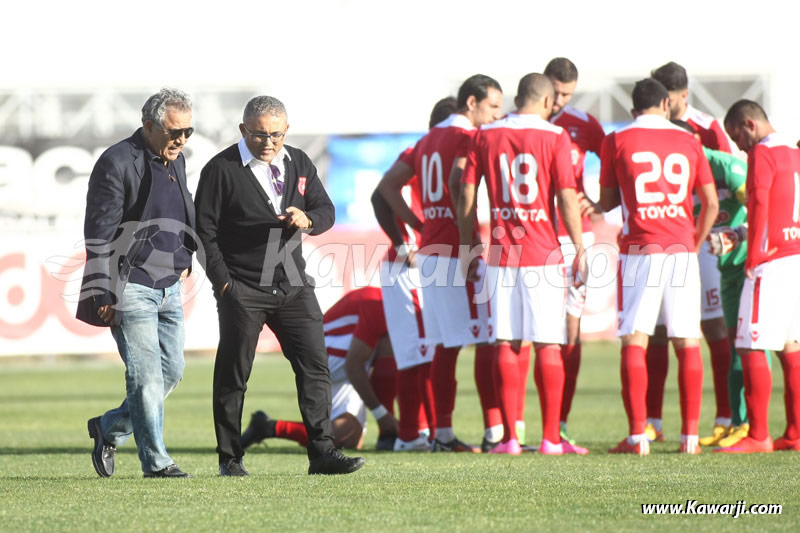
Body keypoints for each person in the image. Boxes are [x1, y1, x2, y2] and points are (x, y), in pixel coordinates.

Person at [194, 95, 364, 476]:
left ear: (286, 131)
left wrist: (308, 219)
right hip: (243, 289)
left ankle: (322, 454)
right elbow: (203, 232)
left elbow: (326, 211)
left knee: (315, 368)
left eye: (276, 134)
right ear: (243, 130)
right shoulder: (220, 169)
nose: (268, 142)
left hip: (293, 285)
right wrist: (224, 284)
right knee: (233, 375)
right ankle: (230, 459)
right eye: (259, 134)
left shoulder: (299, 161)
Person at [457, 73, 590, 455]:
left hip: (501, 253)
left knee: (506, 341)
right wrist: (578, 245)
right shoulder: (554, 135)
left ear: (517, 98)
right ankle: (550, 439)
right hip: (542, 253)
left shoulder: (486, 135)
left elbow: (467, 194)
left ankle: (511, 440)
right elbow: (567, 196)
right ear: (548, 102)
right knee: (548, 343)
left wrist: (470, 245)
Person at [377, 75, 503, 452]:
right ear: (471, 103)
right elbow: (456, 181)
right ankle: (495, 432)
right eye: (493, 106)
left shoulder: (426, 140)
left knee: (444, 346)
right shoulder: (469, 138)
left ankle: (443, 434)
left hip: (431, 251)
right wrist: (468, 245)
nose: (497, 114)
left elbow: (386, 187)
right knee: (486, 339)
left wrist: (420, 224)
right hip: (455, 250)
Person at [78, 88, 196, 478]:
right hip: (130, 286)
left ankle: (108, 427)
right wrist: (104, 291)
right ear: (149, 126)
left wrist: (186, 256)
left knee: (171, 372)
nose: (181, 139)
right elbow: (99, 233)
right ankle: (157, 463)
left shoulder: (175, 160)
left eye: (188, 132)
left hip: (170, 285)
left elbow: (180, 210)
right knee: (145, 378)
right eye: (174, 131)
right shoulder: (115, 162)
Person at [599, 78, 718, 455]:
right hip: (682, 249)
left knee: (636, 338)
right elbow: (711, 203)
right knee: (687, 340)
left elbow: (606, 202)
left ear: (634, 108)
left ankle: (638, 437)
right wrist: (692, 244)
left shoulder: (616, 140)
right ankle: (690, 439)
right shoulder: (689, 140)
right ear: (666, 104)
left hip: (641, 248)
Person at [644, 61, 734, 444]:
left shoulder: (709, 129)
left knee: (713, 327)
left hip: (702, 239)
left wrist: (723, 219)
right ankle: (653, 422)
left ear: (683, 96)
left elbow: (734, 174)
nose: (664, 106)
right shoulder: (651, 131)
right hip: (666, 239)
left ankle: (725, 416)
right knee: (658, 331)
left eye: (670, 100)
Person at [370, 97, 457, 452]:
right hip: (407, 263)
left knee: (424, 350)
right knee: (417, 350)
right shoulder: (421, 151)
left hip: (422, 260)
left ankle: (426, 433)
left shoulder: (431, 151)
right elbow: (380, 196)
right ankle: (409, 436)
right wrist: (406, 239)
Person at [716, 100, 800, 453]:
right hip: (794, 255)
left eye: (738, 137)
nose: (738, 147)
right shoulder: (793, 153)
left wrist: (752, 256)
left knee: (749, 344)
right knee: (791, 347)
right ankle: (795, 434)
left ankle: (758, 435)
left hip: (769, 261)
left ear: (749, 124)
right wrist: (742, 233)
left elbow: (762, 201)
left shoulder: (762, 154)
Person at [671, 119, 753, 447]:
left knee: (752, 343)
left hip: (750, 264)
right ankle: (735, 422)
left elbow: (763, 207)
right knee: (733, 338)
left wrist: (740, 235)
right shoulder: (676, 171)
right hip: (722, 264)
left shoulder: (728, 167)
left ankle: (752, 425)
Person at [240, 287, 399, 450]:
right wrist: (381, 415)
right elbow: (354, 366)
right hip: (325, 354)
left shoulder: (382, 299)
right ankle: (391, 433)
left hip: (334, 354)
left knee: (349, 436)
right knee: (389, 344)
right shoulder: (378, 304)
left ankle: (268, 427)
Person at [544, 57, 607, 445]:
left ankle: (559, 424)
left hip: (572, 238)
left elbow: (617, 158)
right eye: (556, 91)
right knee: (520, 335)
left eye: (567, 94)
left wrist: (603, 204)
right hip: (528, 240)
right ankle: (509, 429)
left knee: (570, 330)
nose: (559, 100)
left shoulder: (582, 125)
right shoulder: (521, 121)